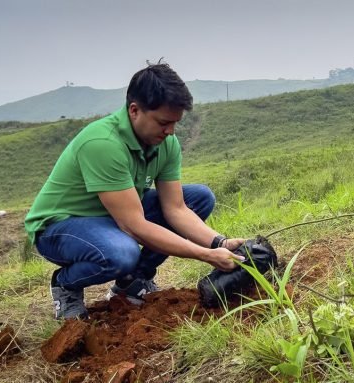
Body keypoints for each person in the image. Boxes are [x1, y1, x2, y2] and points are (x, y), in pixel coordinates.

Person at [24, 62, 246, 320]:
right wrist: (205, 254)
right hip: (61, 227)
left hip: (112, 218)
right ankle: (66, 284)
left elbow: (176, 208)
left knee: (199, 198)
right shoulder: (103, 144)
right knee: (121, 252)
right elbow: (134, 226)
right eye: (163, 122)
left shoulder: (166, 143)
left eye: (175, 123)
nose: (170, 131)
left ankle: (131, 281)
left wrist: (219, 242)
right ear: (134, 110)